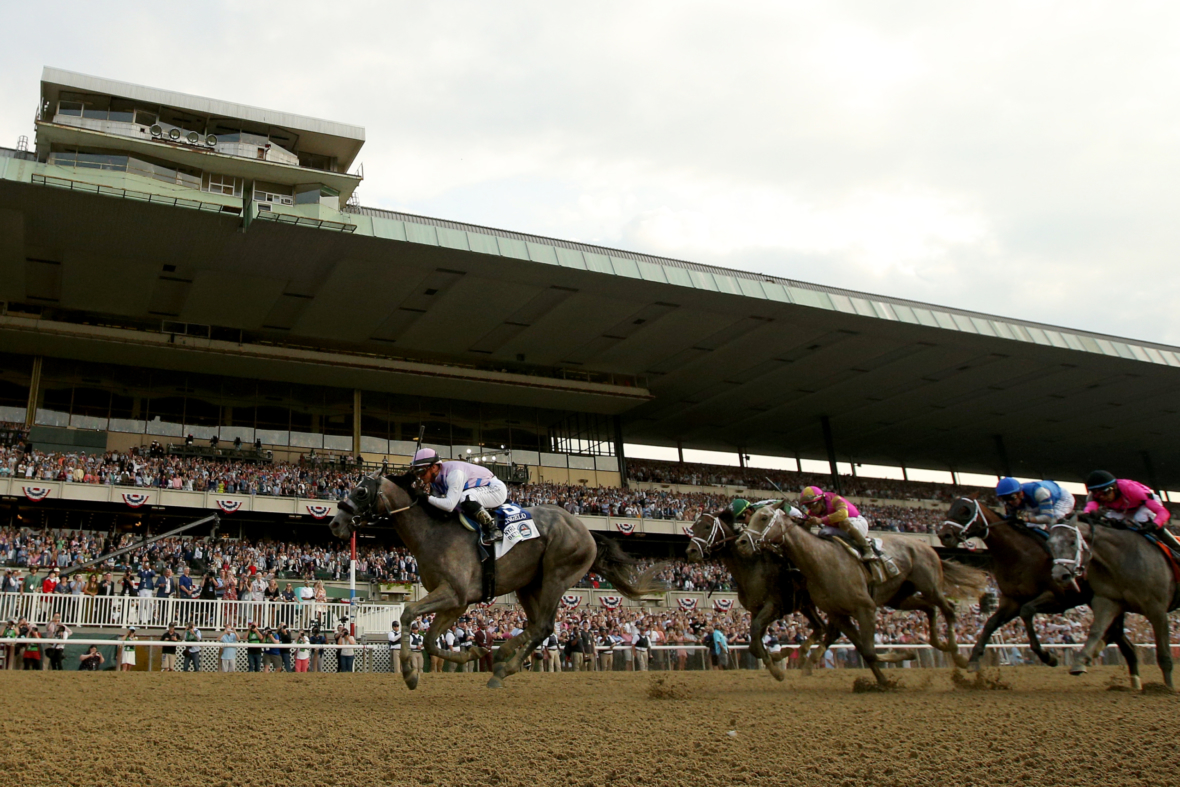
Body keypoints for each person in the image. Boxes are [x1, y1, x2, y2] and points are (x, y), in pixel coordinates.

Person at [409, 447, 509, 543]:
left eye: (421, 472)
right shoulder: (434, 481)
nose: (420, 476)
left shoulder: (454, 473)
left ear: (434, 467)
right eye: (417, 473)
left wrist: (426, 497)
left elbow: (449, 505)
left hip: (495, 489)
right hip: (479, 491)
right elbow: (438, 504)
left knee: (465, 497)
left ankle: (493, 529)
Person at [1083, 471, 1180, 552]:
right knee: (1109, 525)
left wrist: (1155, 525)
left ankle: (1176, 548)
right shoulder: (1094, 497)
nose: (1102, 497)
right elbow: (1090, 509)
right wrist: (1088, 514)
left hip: (1143, 505)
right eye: (1097, 494)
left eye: (1105, 493)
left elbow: (1163, 512)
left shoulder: (1131, 490)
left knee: (1141, 518)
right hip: (1123, 509)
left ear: (1115, 487)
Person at [799, 486, 875, 562]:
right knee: (822, 532)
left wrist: (821, 520)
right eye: (808, 506)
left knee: (843, 523)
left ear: (821, 499)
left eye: (813, 504)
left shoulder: (834, 499)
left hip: (858, 524)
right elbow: (804, 524)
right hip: (841, 529)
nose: (812, 509)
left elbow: (843, 514)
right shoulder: (811, 511)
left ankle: (868, 549)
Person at [995, 477, 1075, 530]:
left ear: (1020, 493)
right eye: (1005, 498)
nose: (1010, 502)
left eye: (1012, 497)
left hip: (1061, 498)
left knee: (1053, 522)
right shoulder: (1010, 502)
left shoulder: (1039, 492)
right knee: (1031, 525)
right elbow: (1016, 517)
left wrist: (1027, 519)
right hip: (1037, 503)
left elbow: (1048, 518)